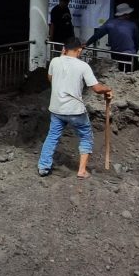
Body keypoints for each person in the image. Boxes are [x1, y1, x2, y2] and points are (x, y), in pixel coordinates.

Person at [38, 36, 113, 178]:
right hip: (75, 110)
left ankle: (43, 166)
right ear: (79, 50)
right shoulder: (83, 66)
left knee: (52, 136)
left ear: (64, 49)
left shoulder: (55, 61)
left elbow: (50, 78)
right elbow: (96, 88)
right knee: (86, 136)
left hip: (56, 109)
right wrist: (108, 89)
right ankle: (82, 170)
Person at [86, 3, 138, 70]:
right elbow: (136, 41)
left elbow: (97, 35)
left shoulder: (109, 23)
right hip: (130, 55)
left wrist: (87, 43)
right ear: (126, 14)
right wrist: (135, 51)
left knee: (119, 71)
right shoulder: (132, 25)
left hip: (115, 54)